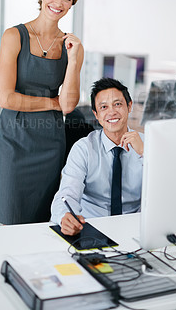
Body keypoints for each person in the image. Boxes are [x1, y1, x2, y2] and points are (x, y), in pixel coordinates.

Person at [0, 0, 84, 225]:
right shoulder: (14, 36)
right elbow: (6, 99)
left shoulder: (72, 47)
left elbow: (68, 105)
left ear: (72, 4)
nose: (58, 3)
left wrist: (75, 58)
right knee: (12, 217)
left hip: (50, 144)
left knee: (48, 220)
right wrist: (52, 103)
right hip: (14, 141)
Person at [51, 77, 144, 235]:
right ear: (96, 114)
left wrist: (145, 153)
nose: (111, 112)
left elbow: (169, 188)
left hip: (136, 225)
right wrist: (65, 216)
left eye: (117, 104)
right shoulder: (84, 148)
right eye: (103, 107)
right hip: (92, 225)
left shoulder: (148, 143)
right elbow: (67, 193)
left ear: (129, 106)